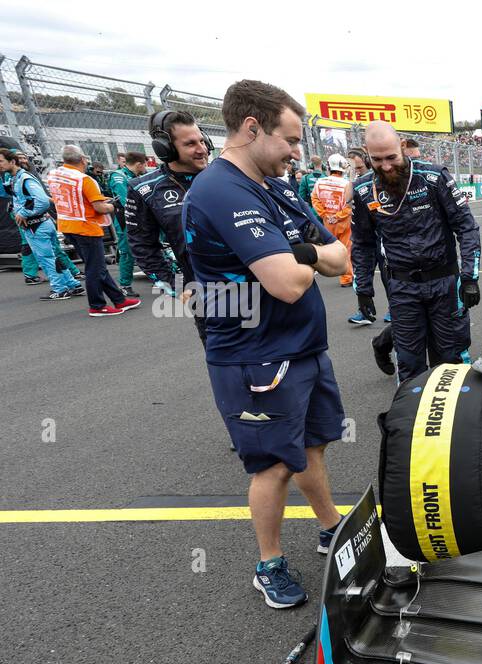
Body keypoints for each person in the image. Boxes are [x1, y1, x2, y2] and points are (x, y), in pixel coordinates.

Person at [182, 79, 351, 609]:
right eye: (291, 139)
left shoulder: (276, 186)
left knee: (313, 444)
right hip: (254, 356)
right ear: (252, 128)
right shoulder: (221, 190)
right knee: (273, 465)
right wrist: (307, 253)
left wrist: (298, 250)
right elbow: (288, 282)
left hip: (301, 346)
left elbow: (341, 257)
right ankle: (269, 563)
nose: (297, 152)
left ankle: (329, 527)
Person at [351, 120, 481, 380]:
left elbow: (466, 227)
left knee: (451, 359)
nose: (386, 166)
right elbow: (363, 243)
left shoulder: (433, 177)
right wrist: (363, 289)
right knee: (410, 364)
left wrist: (469, 277)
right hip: (402, 288)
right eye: (377, 160)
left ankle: (458, 418)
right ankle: (409, 418)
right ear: (367, 153)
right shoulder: (363, 189)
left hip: (445, 283)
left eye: (391, 157)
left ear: (402, 146)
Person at [125, 109, 212, 339]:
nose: (201, 149)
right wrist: (175, 286)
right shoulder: (145, 189)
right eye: (190, 144)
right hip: (206, 293)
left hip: (257, 283)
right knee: (229, 368)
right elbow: (142, 246)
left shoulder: (226, 175)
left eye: (202, 141)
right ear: (166, 148)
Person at [47, 145, 140, 317]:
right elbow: (100, 208)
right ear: (83, 159)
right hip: (86, 228)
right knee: (95, 269)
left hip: (67, 225)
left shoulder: (54, 175)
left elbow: (66, 198)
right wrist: (113, 205)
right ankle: (97, 305)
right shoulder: (85, 180)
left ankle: (119, 299)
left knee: (96, 266)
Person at [0, 147, 82, 300]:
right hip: (40, 224)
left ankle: (60, 289)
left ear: (12, 161)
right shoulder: (14, 178)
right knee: (53, 256)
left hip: (36, 225)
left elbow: (42, 201)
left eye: (1, 161)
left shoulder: (24, 178)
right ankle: (72, 284)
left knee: (46, 258)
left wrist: (24, 212)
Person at [311, 153, 354, 289]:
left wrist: (325, 215)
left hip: (327, 221)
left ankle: (329, 270)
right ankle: (346, 278)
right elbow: (349, 204)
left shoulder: (319, 182)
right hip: (344, 221)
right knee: (346, 249)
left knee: (330, 248)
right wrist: (338, 215)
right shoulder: (347, 183)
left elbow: (315, 200)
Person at [107, 151, 147, 295]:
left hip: (143, 217)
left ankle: (165, 279)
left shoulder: (138, 176)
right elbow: (127, 202)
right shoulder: (118, 176)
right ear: (138, 164)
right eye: (144, 165)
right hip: (126, 220)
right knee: (127, 252)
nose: (145, 168)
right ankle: (125, 286)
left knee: (155, 246)